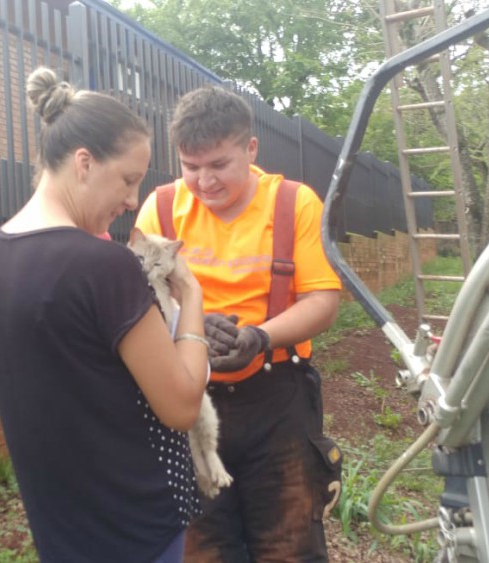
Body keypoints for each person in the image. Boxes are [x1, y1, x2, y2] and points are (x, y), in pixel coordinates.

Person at [0, 67, 210, 562]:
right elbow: (182, 405)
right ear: (84, 162)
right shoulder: (104, 267)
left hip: (61, 523)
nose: (132, 201)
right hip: (134, 524)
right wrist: (192, 298)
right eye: (128, 179)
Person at [134, 85, 343, 562]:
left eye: (218, 165)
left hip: (278, 401)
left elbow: (323, 300)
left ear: (251, 149)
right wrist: (191, 326)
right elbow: (142, 299)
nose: (204, 181)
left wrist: (260, 337)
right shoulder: (160, 209)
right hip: (190, 405)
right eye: (190, 167)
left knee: (290, 547)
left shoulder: (294, 203)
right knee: (202, 550)